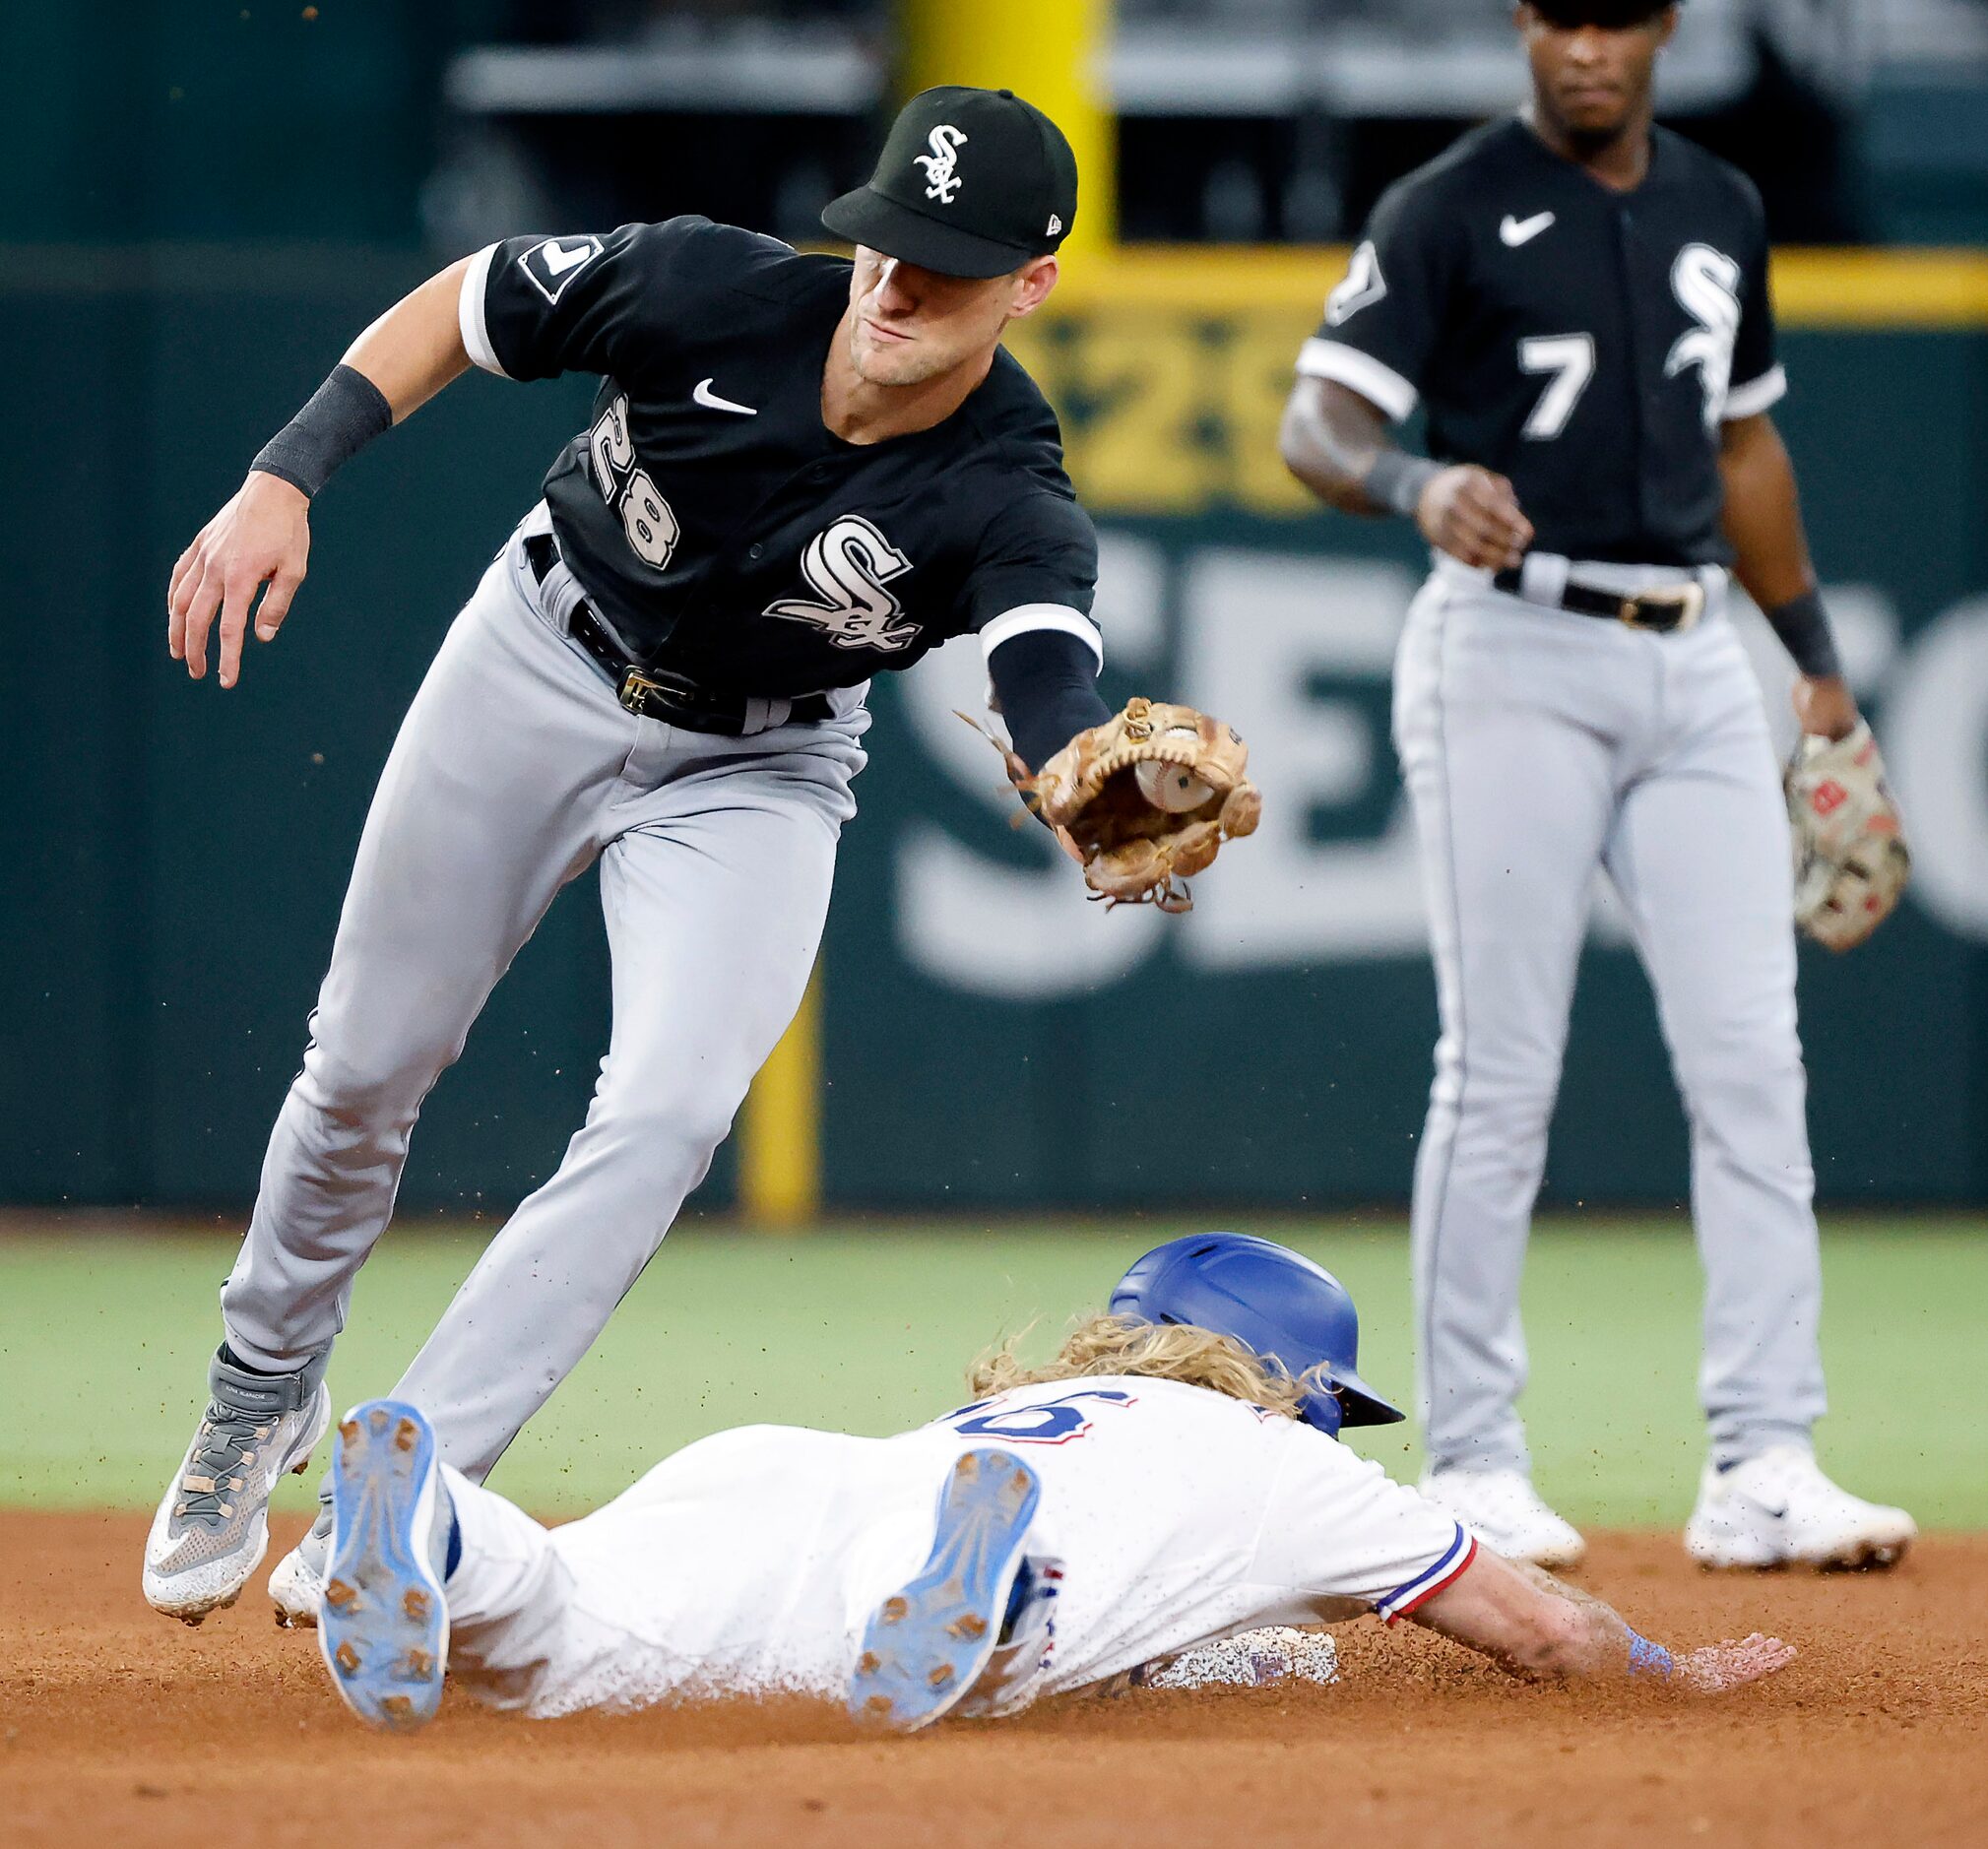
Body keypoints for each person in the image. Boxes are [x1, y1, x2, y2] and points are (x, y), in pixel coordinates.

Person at [143, 86, 1135, 1626]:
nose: (899, 283)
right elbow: (466, 308)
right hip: (537, 652)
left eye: (950, 262)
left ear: (1032, 285)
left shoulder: (1010, 485)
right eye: (888, 241)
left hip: (761, 761)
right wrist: (288, 470)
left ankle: (402, 1479)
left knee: (670, 1110)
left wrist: (1082, 766)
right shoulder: (708, 285)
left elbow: (1046, 663)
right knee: (364, 1063)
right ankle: (257, 1385)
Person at [1278, 2, 1915, 1569]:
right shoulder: (1444, 204)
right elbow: (1318, 422)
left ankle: (1764, 1458)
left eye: (1617, 15)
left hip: (1697, 653)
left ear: (1663, 29)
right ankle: (1477, 1461)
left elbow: (1747, 445)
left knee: (1756, 1062)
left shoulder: (1721, 204)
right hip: (1511, 647)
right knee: (1502, 1068)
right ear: (1524, 25)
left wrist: (1815, 659)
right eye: (1560, 13)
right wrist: (1416, 480)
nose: (1586, 45)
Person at [310, 1233, 1793, 1734]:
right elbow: (1543, 1629)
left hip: (785, 1472)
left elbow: (1225, 1651)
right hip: (970, 1547)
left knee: (567, 1636)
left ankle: (441, 1533)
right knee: (937, 1630)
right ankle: (984, 1597)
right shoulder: (1283, 1460)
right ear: (1294, 1378)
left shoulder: (1055, 1395)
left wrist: (1282, 1662)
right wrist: (1683, 1671)